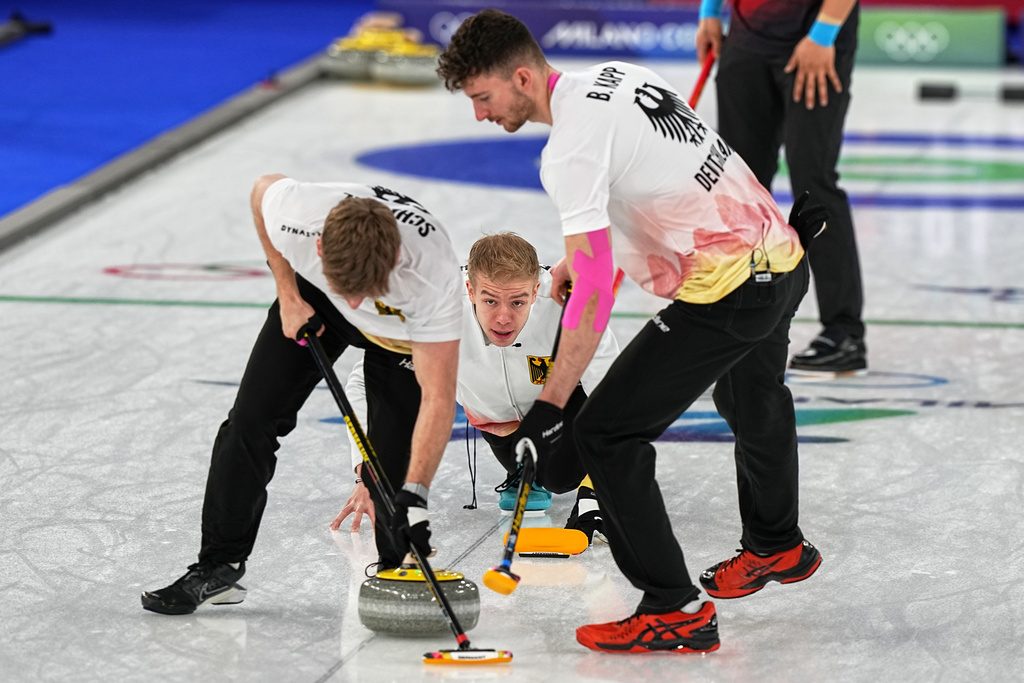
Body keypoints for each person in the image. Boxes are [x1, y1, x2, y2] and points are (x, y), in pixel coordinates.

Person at [438, 9, 823, 655]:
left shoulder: (567, 152)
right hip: (782, 256)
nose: (479, 113)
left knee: (606, 433)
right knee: (750, 396)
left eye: (482, 97)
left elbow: (592, 294)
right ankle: (777, 543)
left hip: (727, 290)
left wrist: (553, 402)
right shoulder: (615, 77)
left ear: (523, 77)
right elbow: (651, 177)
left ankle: (673, 606)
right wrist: (571, 261)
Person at [141, 176, 463, 615]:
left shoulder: (432, 276)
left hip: (399, 331)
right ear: (316, 249)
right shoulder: (297, 214)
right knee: (250, 421)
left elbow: (439, 399)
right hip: (315, 299)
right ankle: (219, 565)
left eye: (363, 291)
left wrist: (417, 497)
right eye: (347, 289)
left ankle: (396, 565)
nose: (355, 304)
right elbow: (259, 192)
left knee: (392, 461)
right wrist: (288, 295)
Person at [331, 232, 619, 545]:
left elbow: (615, 394)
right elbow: (366, 382)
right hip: (499, 424)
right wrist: (367, 474)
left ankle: (567, 473)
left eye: (518, 301)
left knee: (561, 477)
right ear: (469, 289)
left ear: (537, 291)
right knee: (537, 468)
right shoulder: (433, 309)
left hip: (564, 409)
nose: (504, 318)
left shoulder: (568, 302)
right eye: (490, 300)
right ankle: (527, 472)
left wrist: (596, 493)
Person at [696, 0, 866, 375]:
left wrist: (822, 35)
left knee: (813, 182)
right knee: (740, 185)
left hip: (815, 35)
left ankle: (844, 332)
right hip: (747, 38)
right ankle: (735, 322)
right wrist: (710, 12)